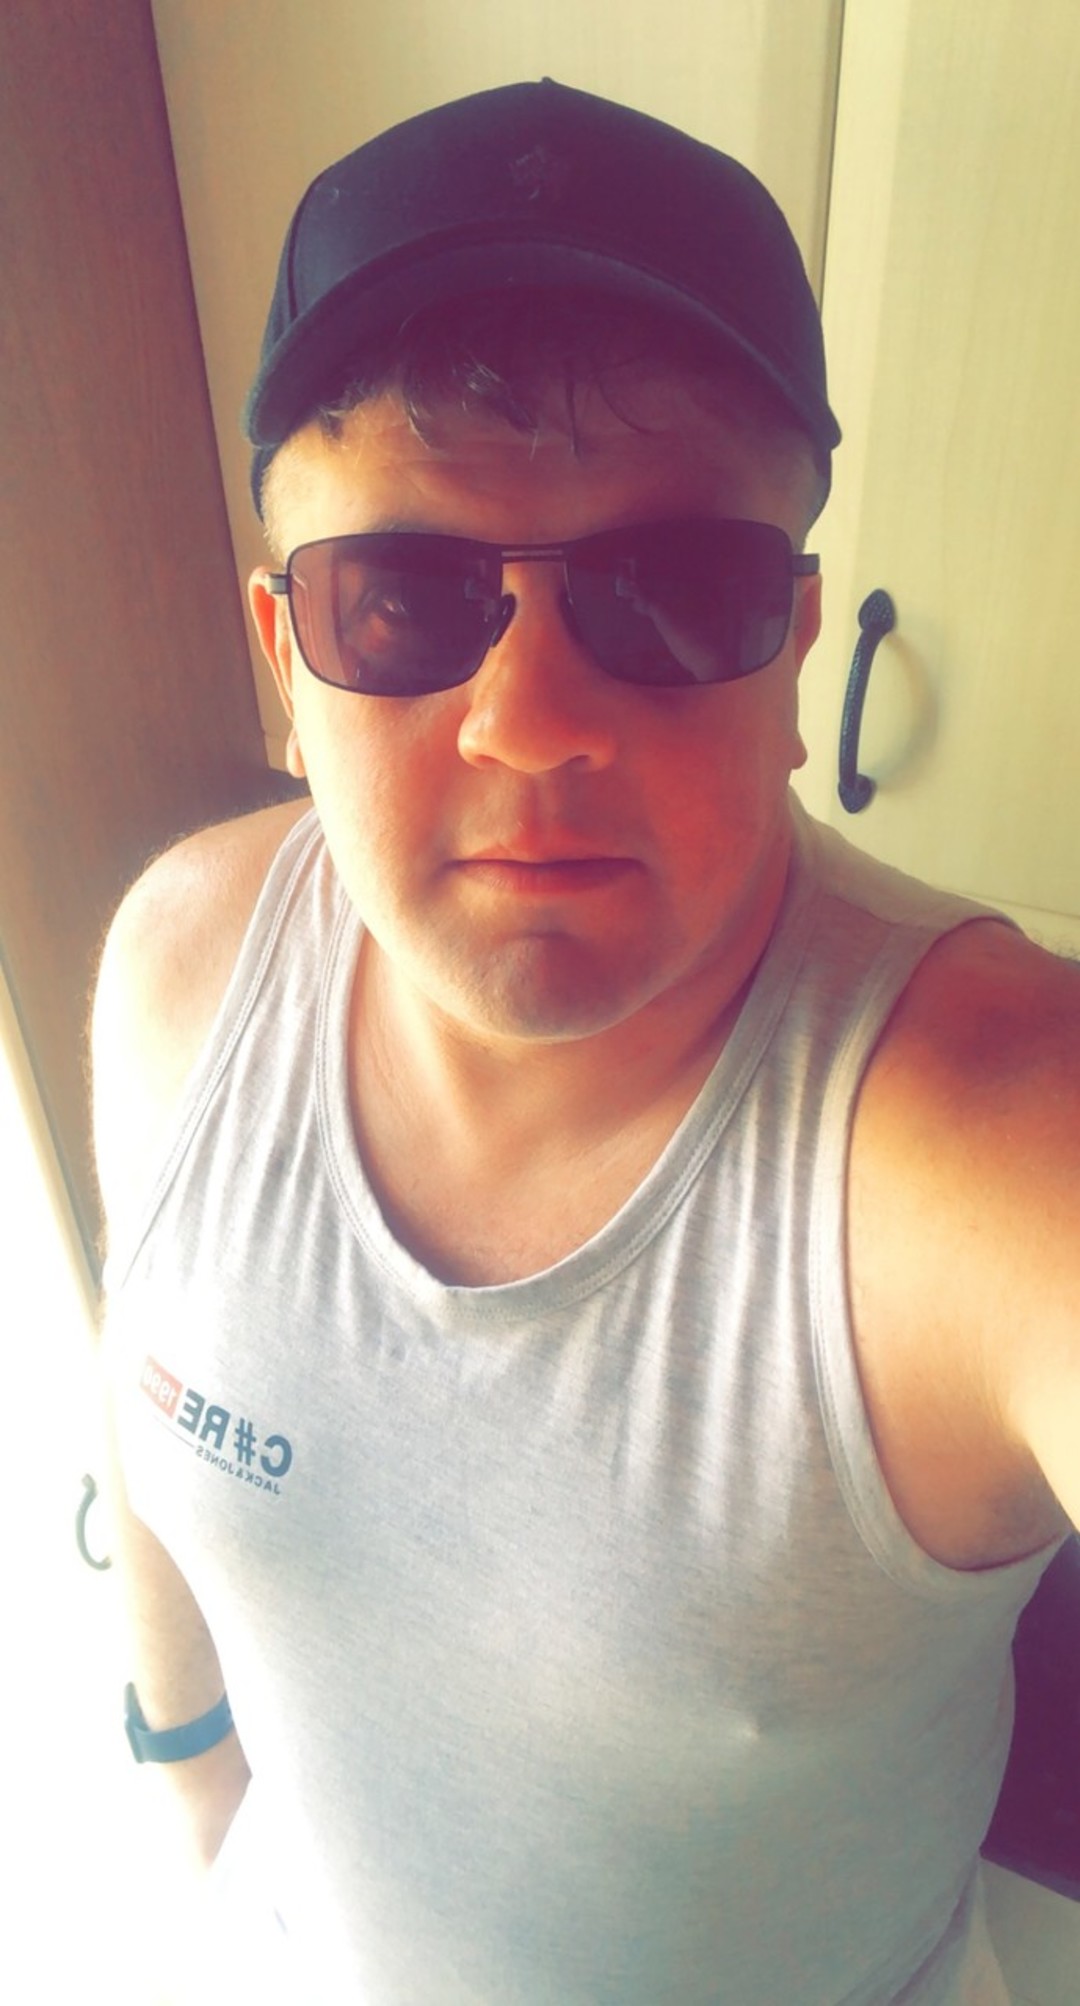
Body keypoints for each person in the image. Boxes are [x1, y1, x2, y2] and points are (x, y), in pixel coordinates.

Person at [92, 79, 1078, 2005]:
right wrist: (181, 1744)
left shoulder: (994, 1141)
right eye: (404, 598)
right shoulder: (176, 966)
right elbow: (146, 1404)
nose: (529, 721)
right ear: (284, 661)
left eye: (671, 591)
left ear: (796, 654)